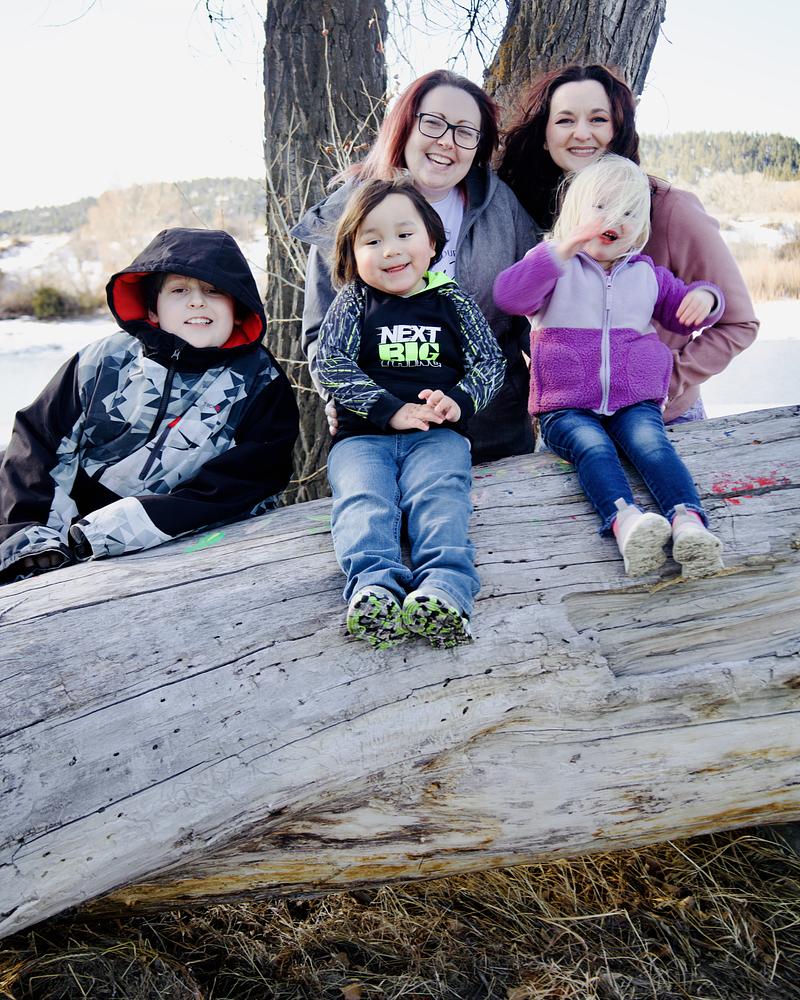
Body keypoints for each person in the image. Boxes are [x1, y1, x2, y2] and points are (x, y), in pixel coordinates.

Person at [0, 227, 299, 583]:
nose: (197, 301)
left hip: (171, 532)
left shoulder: (260, 382)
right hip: (59, 521)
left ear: (238, 309)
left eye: (214, 290)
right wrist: (35, 535)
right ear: (153, 310)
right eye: (179, 290)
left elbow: (247, 481)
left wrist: (105, 531)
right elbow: (37, 440)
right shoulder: (103, 360)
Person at [494, 155, 725, 578]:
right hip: (565, 406)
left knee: (652, 445)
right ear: (575, 211)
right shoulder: (552, 267)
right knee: (592, 447)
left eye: (629, 212)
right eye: (601, 206)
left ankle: (688, 521)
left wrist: (706, 298)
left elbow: (685, 313)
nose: (615, 219)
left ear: (642, 226)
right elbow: (509, 296)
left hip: (633, 400)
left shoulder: (647, 275)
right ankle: (626, 522)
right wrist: (560, 250)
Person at [292, 69, 538, 463]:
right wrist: (347, 398)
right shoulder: (348, 210)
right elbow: (322, 334)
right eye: (433, 123)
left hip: (492, 427)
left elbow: (534, 312)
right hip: (381, 433)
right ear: (405, 126)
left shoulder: (500, 206)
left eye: (465, 131)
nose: (447, 141)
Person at [496, 63, 758, 425]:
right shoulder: (536, 208)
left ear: (617, 130)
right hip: (573, 421)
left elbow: (739, 323)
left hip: (661, 421)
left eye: (598, 119)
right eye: (565, 120)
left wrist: (660, 381)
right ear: (545, 135)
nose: (582, 133)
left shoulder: (670, 208)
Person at [316, 177, 505, 648]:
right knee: (364, 500)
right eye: (372, 241)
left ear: (432, 241)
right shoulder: (355, 301)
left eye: (405, 234)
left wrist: (458, 399)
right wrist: (389, 409)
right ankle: (374, 587)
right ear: (351, 254)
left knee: (441, 497)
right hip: (362, 438)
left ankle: (445, 588)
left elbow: (490, 362)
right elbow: (331, 362)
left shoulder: (452, 301)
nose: (391, 250)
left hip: (436, 436)